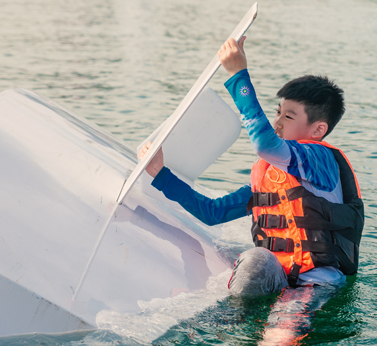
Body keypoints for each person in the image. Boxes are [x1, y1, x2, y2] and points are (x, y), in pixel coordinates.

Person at [140, 36, 364, 296]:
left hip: (317, 285)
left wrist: (238, 75)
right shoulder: (271, 175)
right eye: (277, 111)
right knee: (255, 260)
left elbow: (264, 143)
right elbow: (212, 212)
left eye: (288, 116)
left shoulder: (319, 159)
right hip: (279, 277)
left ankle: (279, 332)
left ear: (318, 129)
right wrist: (161, 174)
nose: (277, 122)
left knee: (279, 328)